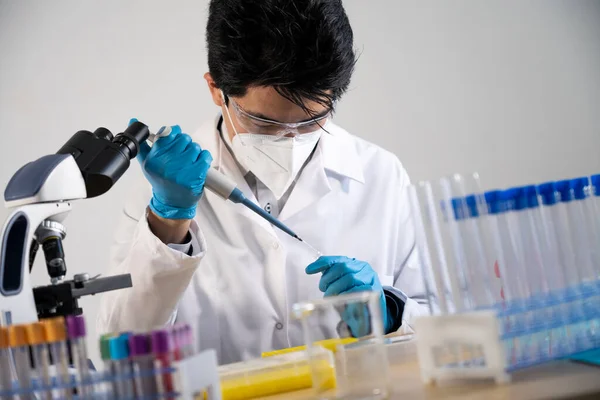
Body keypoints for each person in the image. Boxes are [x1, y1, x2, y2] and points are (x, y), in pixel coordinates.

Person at [97, 0, 426, 365]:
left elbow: (439, 324)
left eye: (309, 122)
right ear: (216, 90)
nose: (289, 139)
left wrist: (390, 314)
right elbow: (119, 353)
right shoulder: (160, 191)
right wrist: (168, 222)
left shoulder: (381, 175)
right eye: (265, 124)